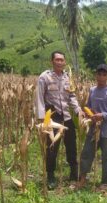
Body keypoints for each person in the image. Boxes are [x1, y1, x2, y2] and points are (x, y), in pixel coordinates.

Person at [35, 51, 83, 190]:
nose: (60, 62)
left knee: (71, 146)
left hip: (66, 116)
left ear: (64, 62)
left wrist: (78, 110)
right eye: (57, 59)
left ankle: (74, 173)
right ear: (52, 61)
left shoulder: (68, 78)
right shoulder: (45, 77)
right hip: (52, 116)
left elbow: (72, 96)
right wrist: (42, 118)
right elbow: (39, 97)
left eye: (62, 60)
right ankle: (50, 175)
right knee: (51, 147)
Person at [78, 64, 107, 192]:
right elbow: (89, 105)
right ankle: (83, 179)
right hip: (92, 128)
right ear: (95, 75)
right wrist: (88, 113)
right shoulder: (92, 90)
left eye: (104, 75)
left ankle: (104, 183)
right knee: (86, 153)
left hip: (106, 130)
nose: (101, 77)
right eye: (99, 74)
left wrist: (102, 115)